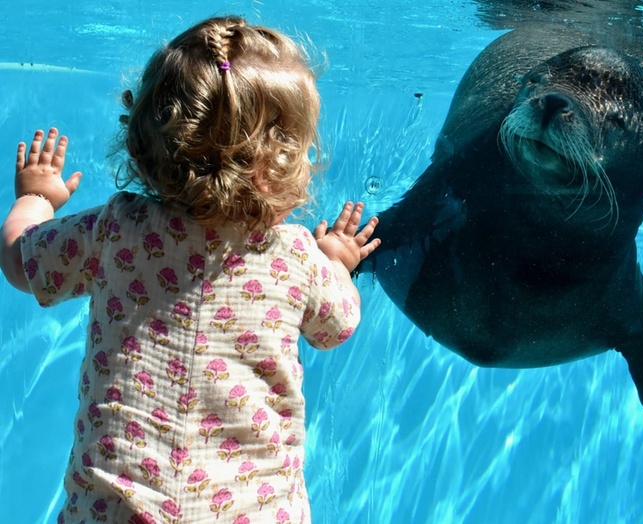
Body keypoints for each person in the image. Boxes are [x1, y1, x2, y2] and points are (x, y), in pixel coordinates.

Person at [0, 16, 379, 523]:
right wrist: (336, 257)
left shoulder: (116, 229)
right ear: (284, 162)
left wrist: (34, 198)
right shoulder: (296, 257)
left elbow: (24, 262)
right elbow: (337, 326)